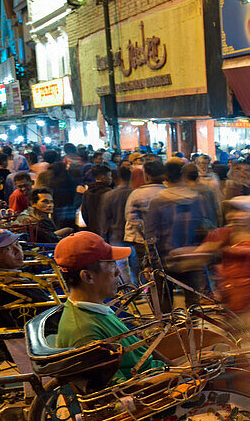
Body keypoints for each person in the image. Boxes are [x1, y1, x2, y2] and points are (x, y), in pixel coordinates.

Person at [54, 232, 165, 383]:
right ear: (87, 277)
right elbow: (122, 392)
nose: (118, 271)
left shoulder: (95, 307)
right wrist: (185, 374)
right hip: (155, 389)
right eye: (111, 265)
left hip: (158, 371)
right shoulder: (85, 332)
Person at [145, 159, 217, 307]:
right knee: (193, 304)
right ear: (183, 176)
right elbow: (208, 225)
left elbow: (151, 235)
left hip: (165, 259)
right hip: (192, 257)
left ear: (166, 177)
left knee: (165, 304)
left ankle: (172, 330)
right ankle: (193, 329)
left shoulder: (158, 201)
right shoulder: (197, 198)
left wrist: (152, 260)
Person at [185, 198, 250, 312]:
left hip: (248, 294)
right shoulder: (222, 234)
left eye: (242, 211)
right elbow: (201, 253)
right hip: (226, 292)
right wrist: (184, 255)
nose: (236, 215)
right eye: (233, 211)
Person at [124, 158, 167, 277]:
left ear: (147, 175)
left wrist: (146, 233)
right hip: (165, 240)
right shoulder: (168, 192)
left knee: (149, 272)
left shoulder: (137, 194)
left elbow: (131, 218)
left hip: (141, 240)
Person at [100, 166, 136, 285]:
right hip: (133, 235)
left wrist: (104, 238)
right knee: (135, 264)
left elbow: (105, 219)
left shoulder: (108, 196)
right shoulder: (134, 194)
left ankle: (127, 290)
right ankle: (139, 290)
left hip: (115, 235)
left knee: (121, 265)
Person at [80, 165, 113, 236]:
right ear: (103, 177)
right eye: (109, 176)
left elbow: (84, 213)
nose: (111, 178)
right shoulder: (109, 193)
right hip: (107, 231)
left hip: (92, 230)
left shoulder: (87, 192)